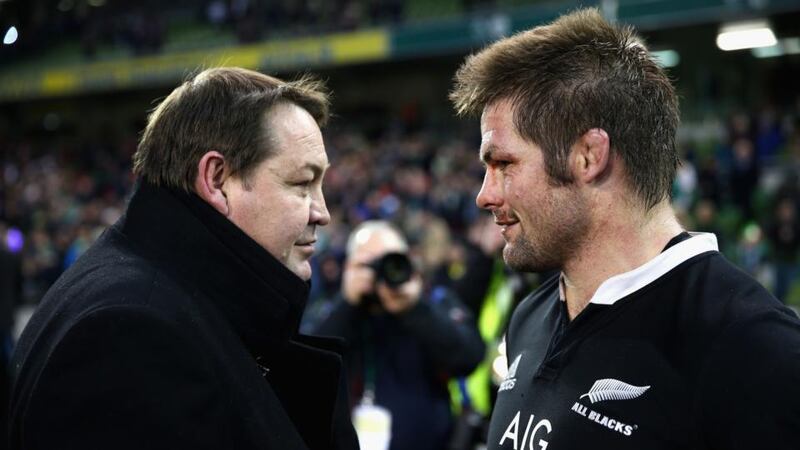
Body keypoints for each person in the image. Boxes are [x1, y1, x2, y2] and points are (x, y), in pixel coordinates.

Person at [450, 8, 800, 450]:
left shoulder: (753, 348)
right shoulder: (529, 316)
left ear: (589, 156)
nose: (484, 195)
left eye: (503, 164)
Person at [9, 67, 358, 450]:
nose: (322, 212)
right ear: (216, 179)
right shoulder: (131, 334)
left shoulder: (154, 295)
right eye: (301, 184)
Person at [312, 220, 485, 450]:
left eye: (390, 261)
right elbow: (308, 365)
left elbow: (470, 357)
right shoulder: (330, 309)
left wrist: (413, 307)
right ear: (349, 267)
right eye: (367, 264)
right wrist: (348, 303)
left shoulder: (435, 301)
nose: (380, 273)